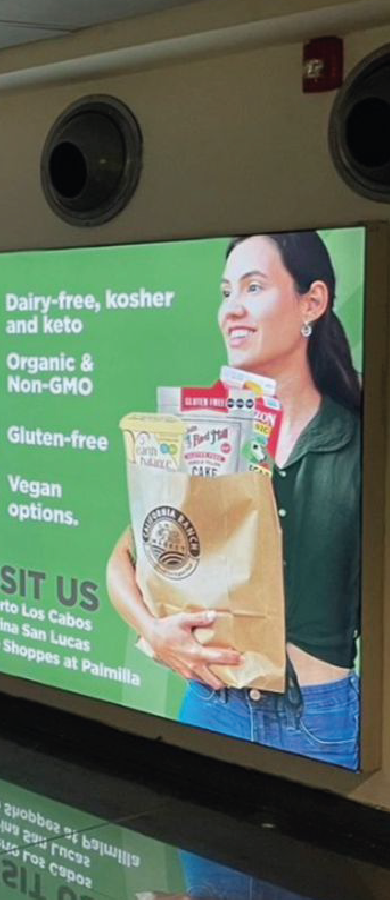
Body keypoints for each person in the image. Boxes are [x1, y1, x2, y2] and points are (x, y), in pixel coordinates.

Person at [107, 231, 362, 769]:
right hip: (212, 707)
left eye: (253, 287)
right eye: (226, 292)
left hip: (323, 724)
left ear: (312, 302)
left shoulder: (359, 441)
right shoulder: (203, 435)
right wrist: (155, 633)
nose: (232, 309)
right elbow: (122, 562)